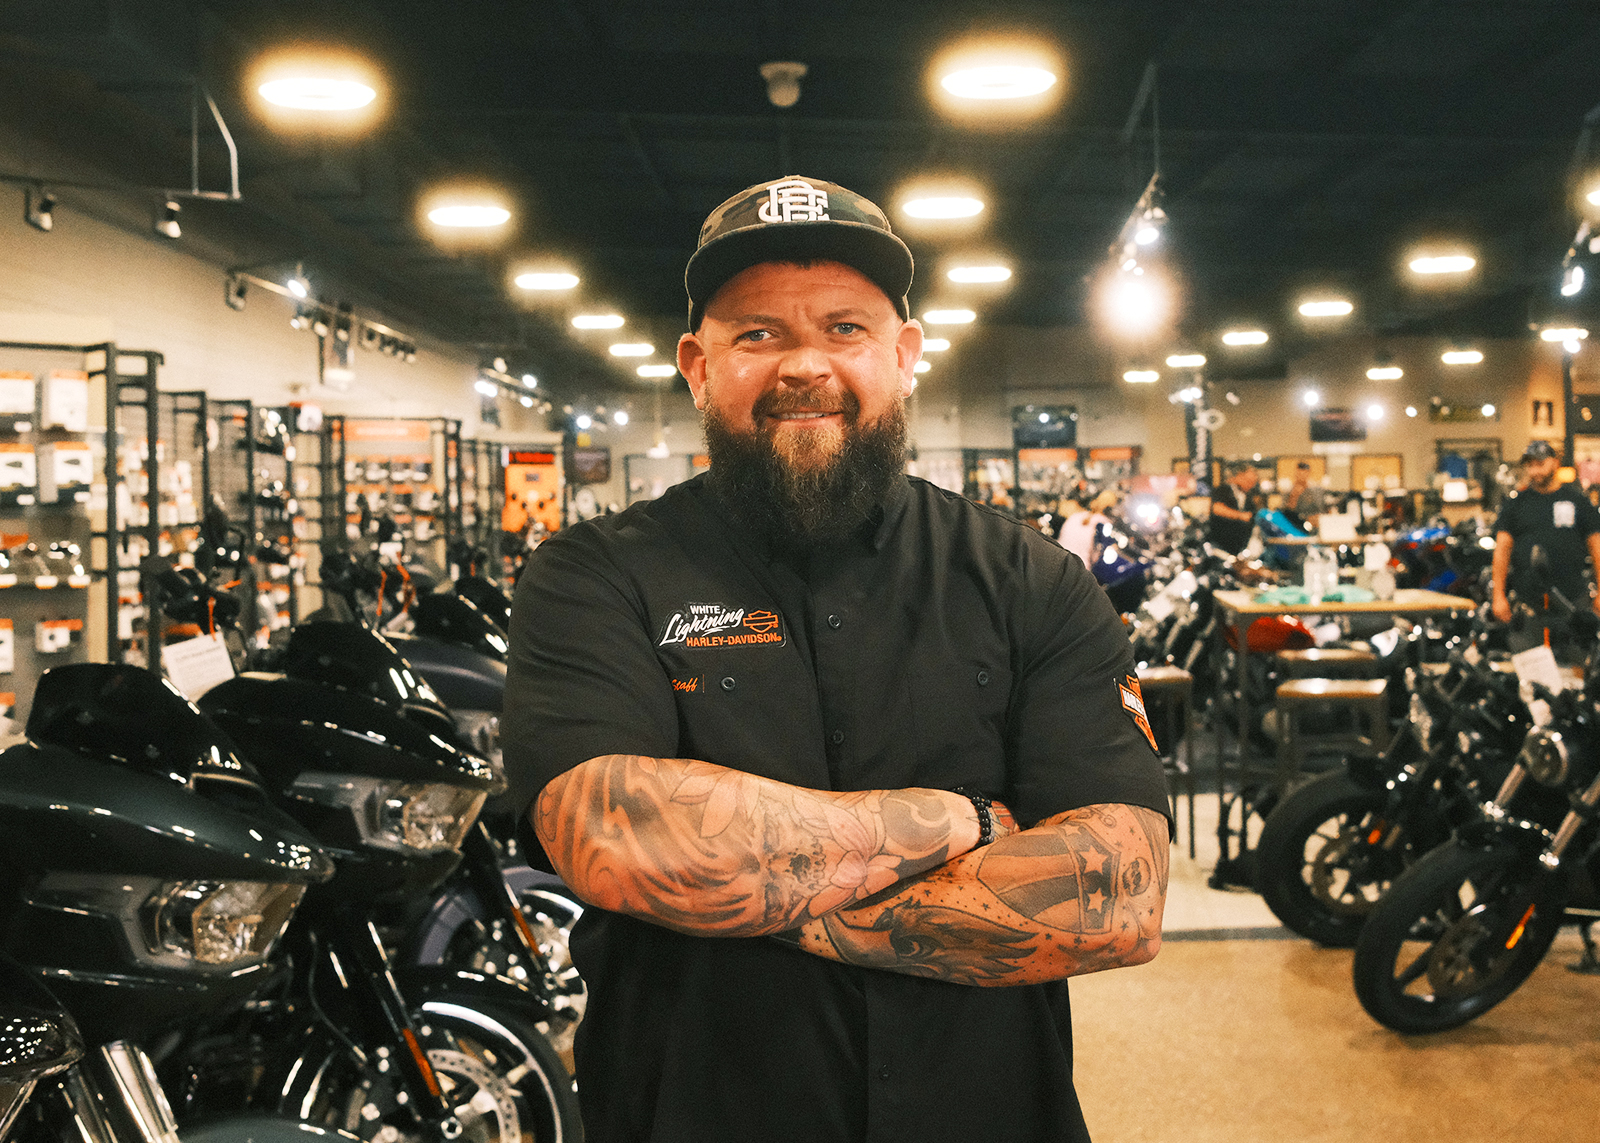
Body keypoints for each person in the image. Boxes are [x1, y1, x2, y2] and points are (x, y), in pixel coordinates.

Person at [502, 175, 1172, 1143]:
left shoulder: (1031, 579)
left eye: (845, 329)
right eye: (757, 334)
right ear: (697, 366)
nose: (803, 365)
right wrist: (967, 821)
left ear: (904, 357)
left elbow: (1121, 896)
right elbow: (609, 834)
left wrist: (750, 897)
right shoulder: (592, 576)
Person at [1490, 440, 1600, 652]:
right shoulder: (1516, 505)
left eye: (1540, 464)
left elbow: (1597, 548)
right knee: (1533, 670)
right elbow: (1502, 551)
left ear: (1555, 463)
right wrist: (1498, 596)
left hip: (1572, 599)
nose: (1534, 471)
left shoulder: (1577, 501)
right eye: (1530, 465)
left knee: (1579, 666)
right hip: (1529, 602)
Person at [1208, 462, 1258, 553]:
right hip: (1220, 542)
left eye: (1253, 483)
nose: (1251, 485)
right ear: (1239, 476)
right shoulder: (1223, 490)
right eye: (1248, 481)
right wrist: (1240, 516)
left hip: (1240, 546)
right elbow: (1217, 508)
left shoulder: (1249, 498)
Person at [1286, 462, 1326, 529]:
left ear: (1308, 474)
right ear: (1296, 474)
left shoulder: (1315, 490)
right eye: (1299, 474)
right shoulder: (1289, 490)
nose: (1302, 476)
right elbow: (1288, 511)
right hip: (1295, 523)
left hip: (1313, 523)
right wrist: (1294, 496)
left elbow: (1321, 509)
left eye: (1304, 474)